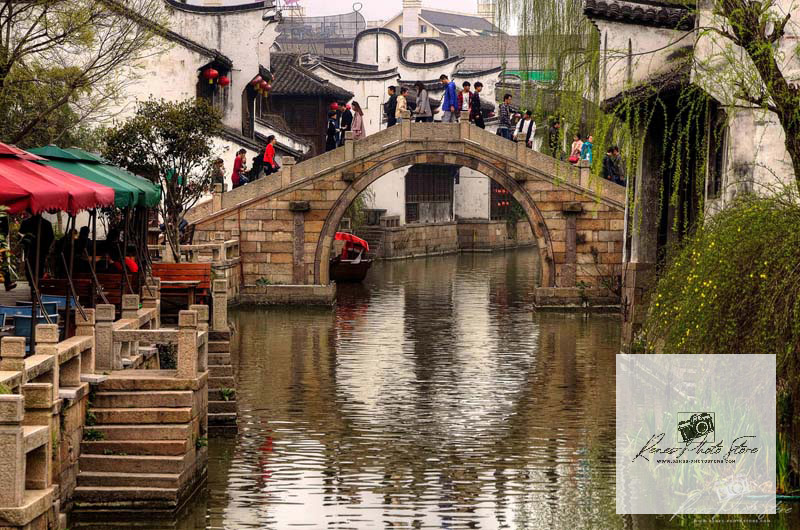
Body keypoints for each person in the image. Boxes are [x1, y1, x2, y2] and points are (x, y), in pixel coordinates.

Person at [19, 214, 54, 283]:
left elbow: (21, 237)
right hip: (40, 250)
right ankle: (36, 283)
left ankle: (33, 283)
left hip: (31, 250)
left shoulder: (26, 222)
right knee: (39, 267)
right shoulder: (47, 223)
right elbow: (51, 238)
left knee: (30, 268)